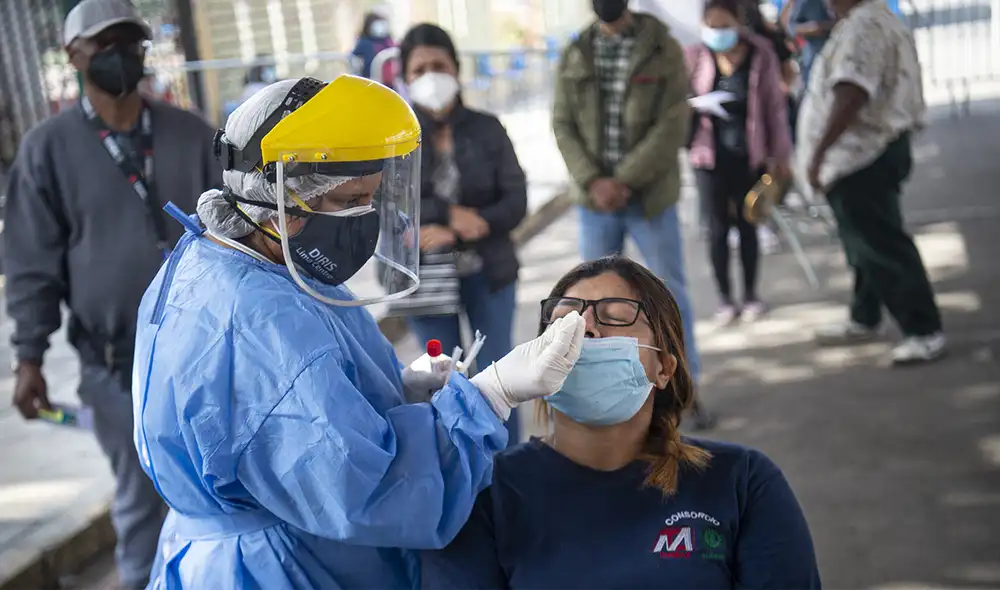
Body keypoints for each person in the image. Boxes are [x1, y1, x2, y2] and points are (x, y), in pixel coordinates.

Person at [132, 74, 585, 589]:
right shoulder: (261, 320)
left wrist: (393, 391)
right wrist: (488, 398)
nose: (364, 217)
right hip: (280, 567)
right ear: (280, 196)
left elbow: (296, 413)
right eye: (350, 199)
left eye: (371, 198)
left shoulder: (246, 260)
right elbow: (367, 488)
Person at [420, 256, 822, 589]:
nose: (584, 328)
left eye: (614, 316)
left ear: (663, 367)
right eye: (564, 320)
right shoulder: (483, 495)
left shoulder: (743, 481)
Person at [2, 0, 221, 587]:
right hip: (115, 366)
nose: (121, 58)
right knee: (142, 503)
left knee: (220, 494)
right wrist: (28, 357)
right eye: (105, 47)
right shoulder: (47, 149)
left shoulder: (190, 132)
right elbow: (31, 264)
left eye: (131, 44)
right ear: (74, 57)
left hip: (204, 359)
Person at [552, 0, 714, 428]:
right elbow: (562, 123)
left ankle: (681, 398)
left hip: (649, 197)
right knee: (588, 307)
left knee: (669, 297)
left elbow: (673, 122)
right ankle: (598, 400)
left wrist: (623, 179)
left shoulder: (661, 46)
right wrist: (594, 180)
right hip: (595, 201)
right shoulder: (575, 51)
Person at [397, 23, 528, 445]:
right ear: (404, 76)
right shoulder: (396, 139)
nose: (430, 76)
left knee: (497, 378)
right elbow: (391, 202)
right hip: (427, 281)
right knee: (442, 380)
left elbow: (516, 198)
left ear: (456, 69)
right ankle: (458, 471)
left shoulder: (487, 128)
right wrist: (449, 216)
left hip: (489, 270)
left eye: (439, 65)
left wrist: (480, 223)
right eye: (419, 70)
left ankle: (506, 468)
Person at [798, 0, 945, 364]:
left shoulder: (866, 26)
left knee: (881, 243)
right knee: (862, 244)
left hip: (861, 157)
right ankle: (865, 315)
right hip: (865, 154)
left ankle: (924, 329)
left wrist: (818, 154)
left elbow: (852, 92)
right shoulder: (871, 20)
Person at [686, 0, 793, 323]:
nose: (718, 33)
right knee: (717, 229)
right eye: (712, 26)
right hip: (708, 156)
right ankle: (724, 298)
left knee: (749, 223)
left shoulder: (761, 54)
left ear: (737, 23)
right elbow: (677, 101)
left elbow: (775, 109)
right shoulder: (694, 57)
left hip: (751, 154)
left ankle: (750, 294)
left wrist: (781, 155)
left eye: (723, 26)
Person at [786, 0, 836, 89]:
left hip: (837, 58)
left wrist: (829, 26)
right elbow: (791, 26)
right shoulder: (806, 2)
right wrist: (809, 28)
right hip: (813, 57)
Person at [351, 11, 397, 85]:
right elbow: (354, 58)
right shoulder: (364, 42)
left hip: (391, 82)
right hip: (371, 81)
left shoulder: (388, 40)